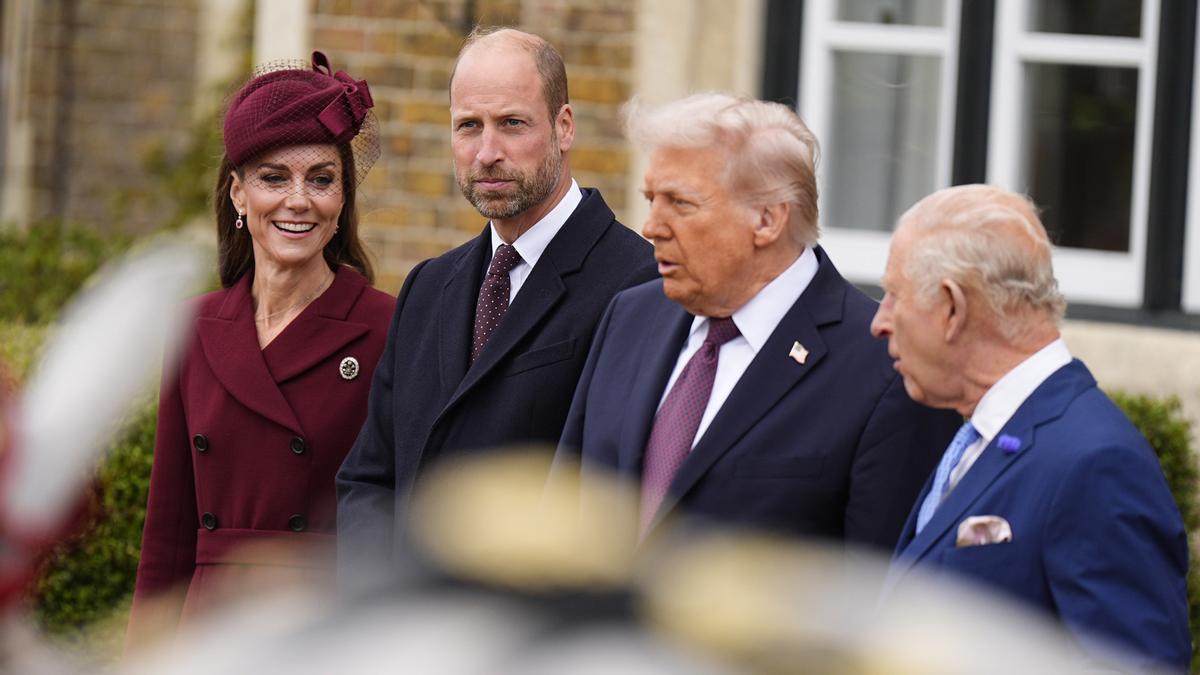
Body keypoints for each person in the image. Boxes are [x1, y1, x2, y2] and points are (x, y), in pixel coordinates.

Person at [553, 93, 960, 548]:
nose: (652, 226)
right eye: (651, 199)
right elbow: (563, 511)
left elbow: (880, 590)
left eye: (680, 203)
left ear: (767, 220)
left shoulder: (887, 366)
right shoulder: (630, 317)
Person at [335, 28, 656, 567]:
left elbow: (619, 500)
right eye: (468, 126)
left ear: (564, 126)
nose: (487, 152)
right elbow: (370, 477)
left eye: (512, 123)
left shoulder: (640, 285)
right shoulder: (428, 286)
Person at [127, 52, 395, 646]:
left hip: (322, 631)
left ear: (343, 198)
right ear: (238, 195)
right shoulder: (193, 328)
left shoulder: (387, 327)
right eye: (274, 177)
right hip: (207, 628)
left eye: (321, 179)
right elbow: (167, 531)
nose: (298, 200)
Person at [872, 184, 1190, 671]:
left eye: (894, 296)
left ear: (953, 308)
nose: (879, 322)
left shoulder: (1094, 461)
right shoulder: (981, 433)